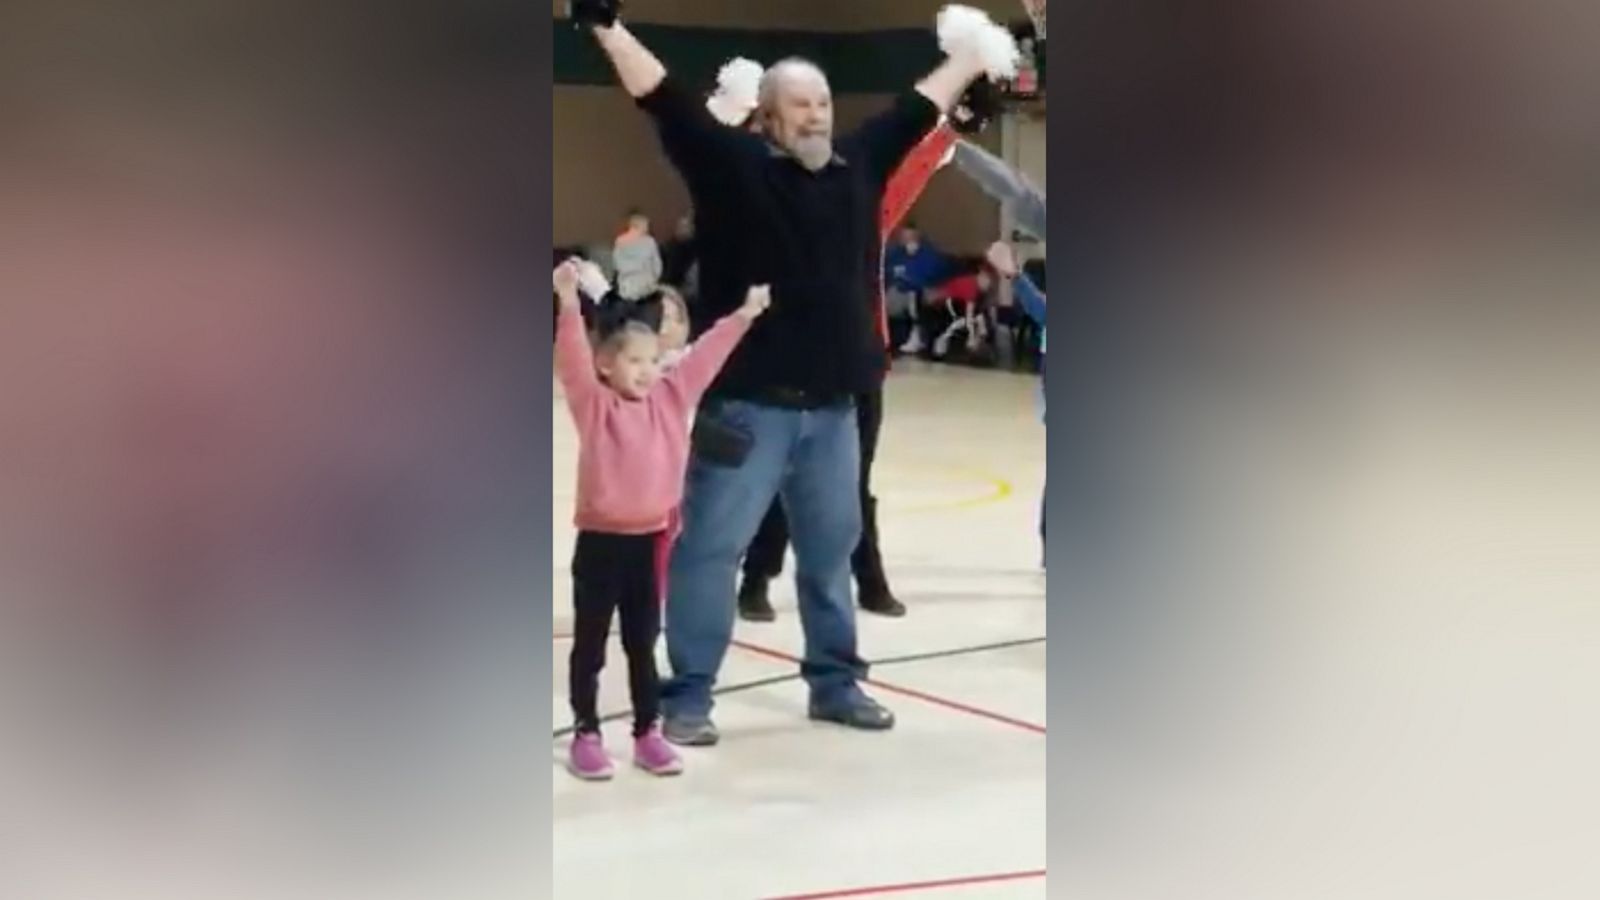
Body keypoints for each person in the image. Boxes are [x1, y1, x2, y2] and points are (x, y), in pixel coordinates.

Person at [574, 0, 1016, 746]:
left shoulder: (862, 162)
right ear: (768, 119)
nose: (812, 116)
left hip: (836, 410)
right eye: (796, 106)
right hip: (744, 410)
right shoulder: (732, 167)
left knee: (829, 552)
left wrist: (975, 54)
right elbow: (664, 99)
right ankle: (688, 695)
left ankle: (835, 682)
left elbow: (921, 103)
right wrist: (606, 27)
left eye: (821, 104)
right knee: (710, 551)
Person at [552, 259, 769, 780]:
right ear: (607, 366)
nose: (646, 370)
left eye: (652, 360)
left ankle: (647, 730)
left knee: (641, 642)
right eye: (632, 361)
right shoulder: (596, 405)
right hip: (602, 543)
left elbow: (706, 358)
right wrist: (566, 302)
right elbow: (573, 359)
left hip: (651, 542)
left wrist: (743, 315)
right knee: (590, 642)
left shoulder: (672, 400)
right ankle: (586, 731)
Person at [612, 209, 663, 300]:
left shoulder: (620, 241)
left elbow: (617, 264)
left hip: (628, 286)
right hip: (646, 286)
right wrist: (653, 278)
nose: (647, 227)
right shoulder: (649, 242)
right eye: (646, 225)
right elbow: (657, 265)